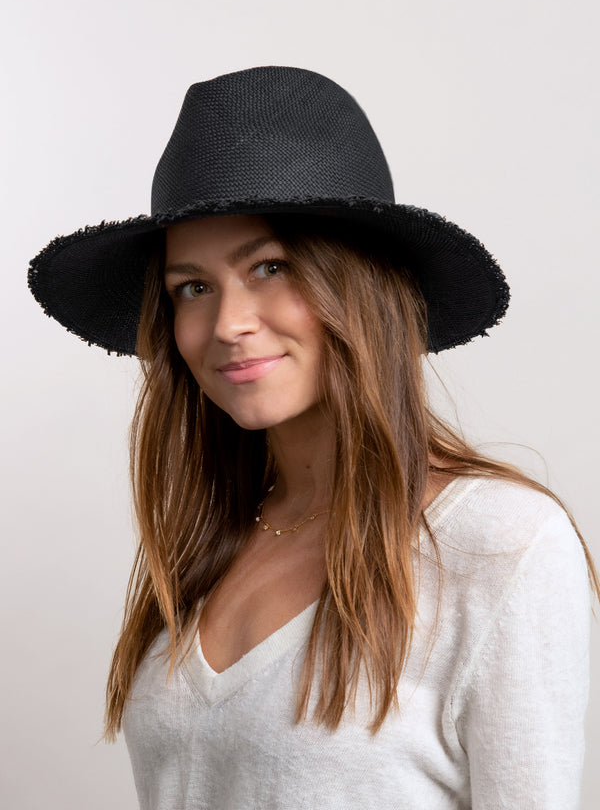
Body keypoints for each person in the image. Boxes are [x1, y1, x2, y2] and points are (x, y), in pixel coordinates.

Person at [28, 66, 598, 809]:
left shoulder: (500, 547)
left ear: (359, 283)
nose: (228, 323)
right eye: (192, 287)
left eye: (270, 267)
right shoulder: (213, 542)